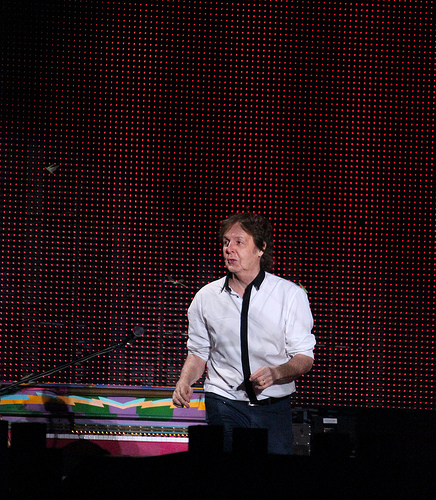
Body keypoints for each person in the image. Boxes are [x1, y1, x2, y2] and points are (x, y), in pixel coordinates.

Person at [172, 212, 315, 454]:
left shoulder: (290, 295)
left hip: (273, 407)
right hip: (223, 401)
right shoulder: (206, 297)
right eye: (226, 242)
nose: (229, 249)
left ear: (260, 248)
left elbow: (304, 357)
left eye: (239, 242)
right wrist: (184, 381)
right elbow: (198, 353)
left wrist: (277, 372)